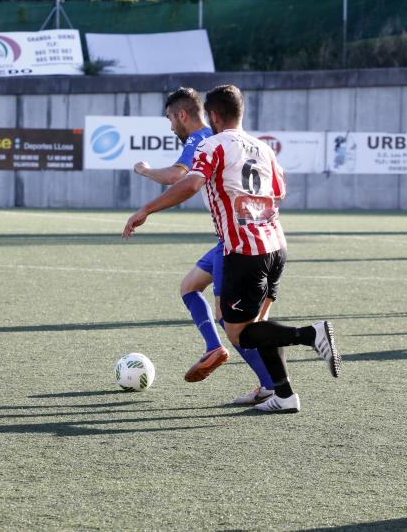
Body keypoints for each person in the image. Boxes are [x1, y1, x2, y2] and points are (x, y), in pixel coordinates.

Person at [123, 84, 340, 414]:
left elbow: (192, 183)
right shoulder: (263, 148)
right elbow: (279, 191)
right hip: (275, 246)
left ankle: (311, 335)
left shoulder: (212, 145)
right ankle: (282, 394)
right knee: (249, 322)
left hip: (243, 250)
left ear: (212, 116)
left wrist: (145, 210)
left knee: (241, 332)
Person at [133, 87, 275, 404]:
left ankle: (271, 384)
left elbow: (176, 177)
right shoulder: (233, 142)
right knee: (189, 287)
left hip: (235, 242)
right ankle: (213, 347)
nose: (171, 126)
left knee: (231, 319)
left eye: (171, 118)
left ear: (182, 115)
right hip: (249, 236)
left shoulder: (203, 141)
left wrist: (144, 172)